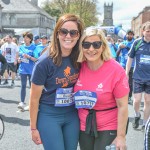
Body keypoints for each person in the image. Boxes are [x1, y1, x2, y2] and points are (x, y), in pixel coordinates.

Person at [29, 14, 84, 150]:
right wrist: (33, 128)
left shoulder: (80, 58)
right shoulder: (44, 62)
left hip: (72, 114)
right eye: (63, 31)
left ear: (79, 36)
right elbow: (34, 99)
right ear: (57, 34)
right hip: (49, 115)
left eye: (73, 32)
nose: (68, 36)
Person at [73, 27, 129, 150]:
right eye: (86, 45)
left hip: (109, 125)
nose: (91, 49)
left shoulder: (116, 70)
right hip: (84, 125)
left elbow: (123, 106)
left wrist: (121, 136)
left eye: (96, 44)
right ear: (81, 47)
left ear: (103, 46)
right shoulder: (78, 66)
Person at [126, 22, 150, 131]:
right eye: (148, 31)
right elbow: (130, 59)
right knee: (136, 101)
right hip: (138, 77)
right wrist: (126, 72)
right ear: (143, 31)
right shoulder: (137, 43)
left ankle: (145, 123)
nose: (149, 33)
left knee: (148, 101)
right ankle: (136, 115)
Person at [17, 32, 37, 110]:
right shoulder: (21, 47)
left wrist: (28, 57)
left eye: (26, 38)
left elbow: (36, 60)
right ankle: (22, 102)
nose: (25, 39)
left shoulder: (34, 47)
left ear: (30, 39)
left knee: (32, 87)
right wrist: (19, 59)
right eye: (24, 37)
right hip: (23, 69)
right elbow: (19, 57)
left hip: (31, 70)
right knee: (23, 86)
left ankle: (31, 103)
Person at [117, 30, 135, 104]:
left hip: (131, 65)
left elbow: (133, 51)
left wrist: (126, 47)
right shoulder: (122, 43)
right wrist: (120, 48)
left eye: (131, 34)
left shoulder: (134, 43)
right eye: (128, 34)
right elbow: (117, 53)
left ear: (133, 36)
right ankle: (121, 96)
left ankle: (129, 97)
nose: (130, 36)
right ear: (126, 35)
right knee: (121, 82)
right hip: (122, 65)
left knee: (130, 82)